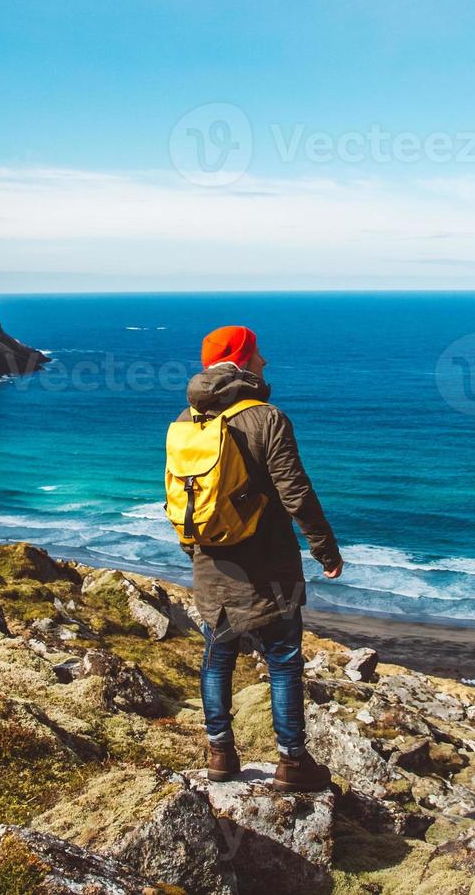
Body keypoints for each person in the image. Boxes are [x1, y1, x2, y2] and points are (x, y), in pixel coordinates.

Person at [179, 325, 344, 792]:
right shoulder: (267, 418)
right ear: (242, 359)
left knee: (217, 654)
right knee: (285, 658)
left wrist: (193, 551)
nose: (265, 362)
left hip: (211, 562)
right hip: (270, 563)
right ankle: (292, 762)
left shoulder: (189, 418)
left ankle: (219, 754)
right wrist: (325, 549)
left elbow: (182, 498)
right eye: (258, 354)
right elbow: (296, 492)